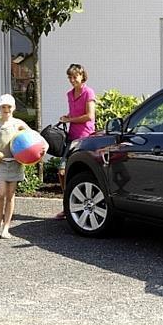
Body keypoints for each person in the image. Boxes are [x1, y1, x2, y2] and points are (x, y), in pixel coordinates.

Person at [54, 63, 96, 220]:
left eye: (75, 76)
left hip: (85, 137)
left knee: (76, 170)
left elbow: (89, 116)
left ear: (82, 76)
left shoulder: (88, 92)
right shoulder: (69, 94)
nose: (72, 80)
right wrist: (66, 118)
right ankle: (68, 204)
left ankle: (74, 206)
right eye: (70, 77)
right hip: (72, 136)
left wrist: (70, 118)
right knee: (62, 172)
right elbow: (74, 114)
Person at [0, 94, 31, 239]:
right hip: (0, 162)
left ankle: (6, 227)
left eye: (9, 107)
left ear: (14, 108)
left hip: (15, 162)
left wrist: (40, 147)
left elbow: (32, 136)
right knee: (0, 193)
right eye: (3, 107)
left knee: (10, 195)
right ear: (0, 108)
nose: (6, 109)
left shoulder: (18, 123)